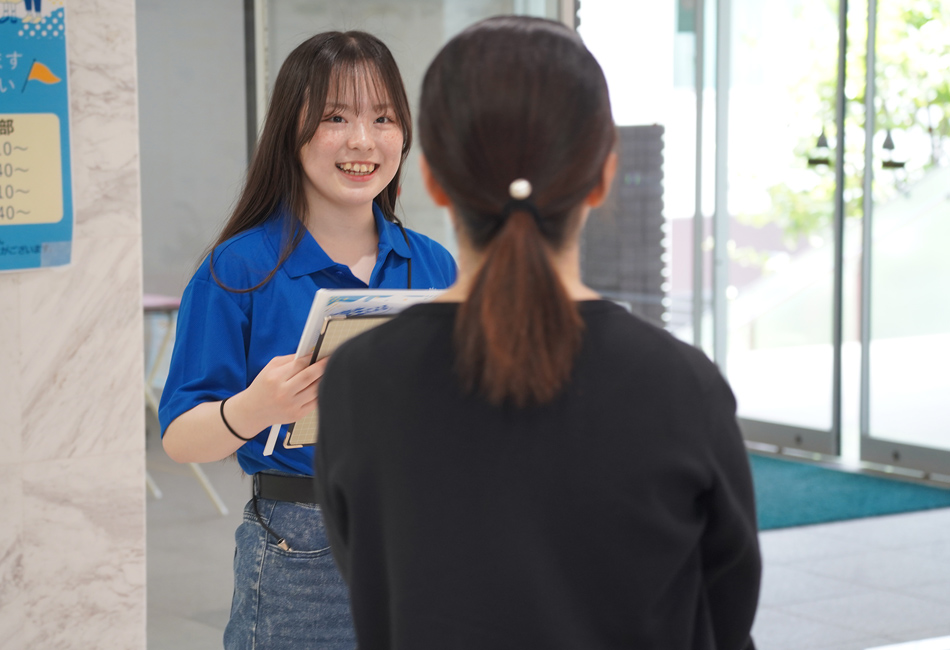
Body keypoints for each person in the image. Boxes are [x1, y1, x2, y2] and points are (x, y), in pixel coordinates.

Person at [314, 15, 760, 650]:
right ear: (603, 176)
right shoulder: (682, 386)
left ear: (434, 178)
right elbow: (726, 618)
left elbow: (371, 585)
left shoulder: (359, 381)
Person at [158, 31, 456, 650]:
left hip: (423, 534)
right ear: (289, 132)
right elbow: (180, 438)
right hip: (300, 549)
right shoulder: (237, 270)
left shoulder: (433, 266)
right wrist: (254, 410)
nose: (362, 141)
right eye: (335, 118)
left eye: (383, 118)